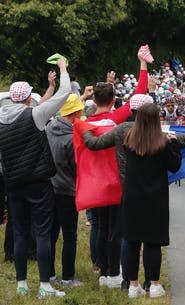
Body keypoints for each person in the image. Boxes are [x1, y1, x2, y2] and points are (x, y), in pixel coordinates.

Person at [84, 102, 185, 298]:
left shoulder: (128, 140)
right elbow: (174, 166)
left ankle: (133, 285)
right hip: (155, 198)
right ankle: (154, 285)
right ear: (157, 120)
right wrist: (173, 144)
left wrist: (85, 130)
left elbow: (96, 143)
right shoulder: (162, 143)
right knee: (152, 242)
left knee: (131, 241)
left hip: (131, 197)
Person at [0, 58, 70, 298]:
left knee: (19, 232)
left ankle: (21, 284)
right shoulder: (35, 116)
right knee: (42, 232)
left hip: (14, 184)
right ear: (29, 97)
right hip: (38, 183)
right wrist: (62, 69)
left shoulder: (1, 118)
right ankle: (44, 285)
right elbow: (64, 93)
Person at [86, 48, 149, 289]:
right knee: (115, 229)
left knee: (99, 227)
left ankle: (102, 270)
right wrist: (142, 65)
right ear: (114, 101)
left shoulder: (85, 123)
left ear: (93, 101)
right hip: (115, 182)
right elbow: (139, 94)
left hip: (94, 183)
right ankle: (113, 271)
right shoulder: (116, 120)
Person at [46, 93, 86, 287]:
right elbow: (77, 168)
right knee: (70, 235)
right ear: (75, 113)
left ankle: (50, 276)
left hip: (48, 188)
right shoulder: (71, 138)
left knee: (50, 234)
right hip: (67, 191)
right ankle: (68, 278)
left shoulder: (47, 129)